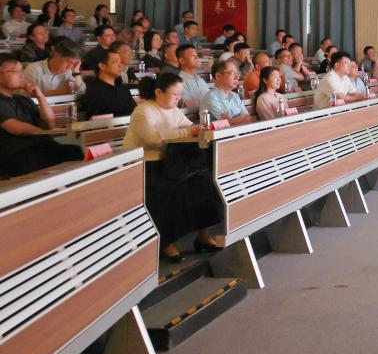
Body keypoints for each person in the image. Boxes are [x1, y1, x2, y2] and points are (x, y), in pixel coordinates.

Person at [123, 72, 219, 262]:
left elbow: (190, 128)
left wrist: (197, 129)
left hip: (169, 163)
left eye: (180, 94)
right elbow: (153, 138)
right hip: (143, 165)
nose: (178, 98)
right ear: (158, 92)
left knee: (203, 181)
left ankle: (202, 235)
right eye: (174, 94)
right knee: (171, 188)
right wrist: (186, 131)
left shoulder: (173, 110)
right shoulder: (143, 111)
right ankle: (166, 242)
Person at [0, 53, 83, 177]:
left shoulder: (22, 100)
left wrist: (40, 96)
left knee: (77, 152)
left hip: (39, 147)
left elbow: (49, 123)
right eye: (15, 71)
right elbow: (17, 128)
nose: (22, 75)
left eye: (22, 71)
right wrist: (42, 132)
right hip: (15, 153)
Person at [81, 48, 136, 117]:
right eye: (115, 62)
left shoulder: (123, 89)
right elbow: (99, 119)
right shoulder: (93, 92)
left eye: (120, 62)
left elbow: (135, 112)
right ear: (102, 66)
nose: (120, 65)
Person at [199, 59, 251, 126]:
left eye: (237, 73)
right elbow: (225, 124)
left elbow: (247, 118)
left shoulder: (235, 96)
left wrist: (232, 120)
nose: (237, 77)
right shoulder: (211, 98)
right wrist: (240, 118)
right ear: (218, 76)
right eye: (231, 73)